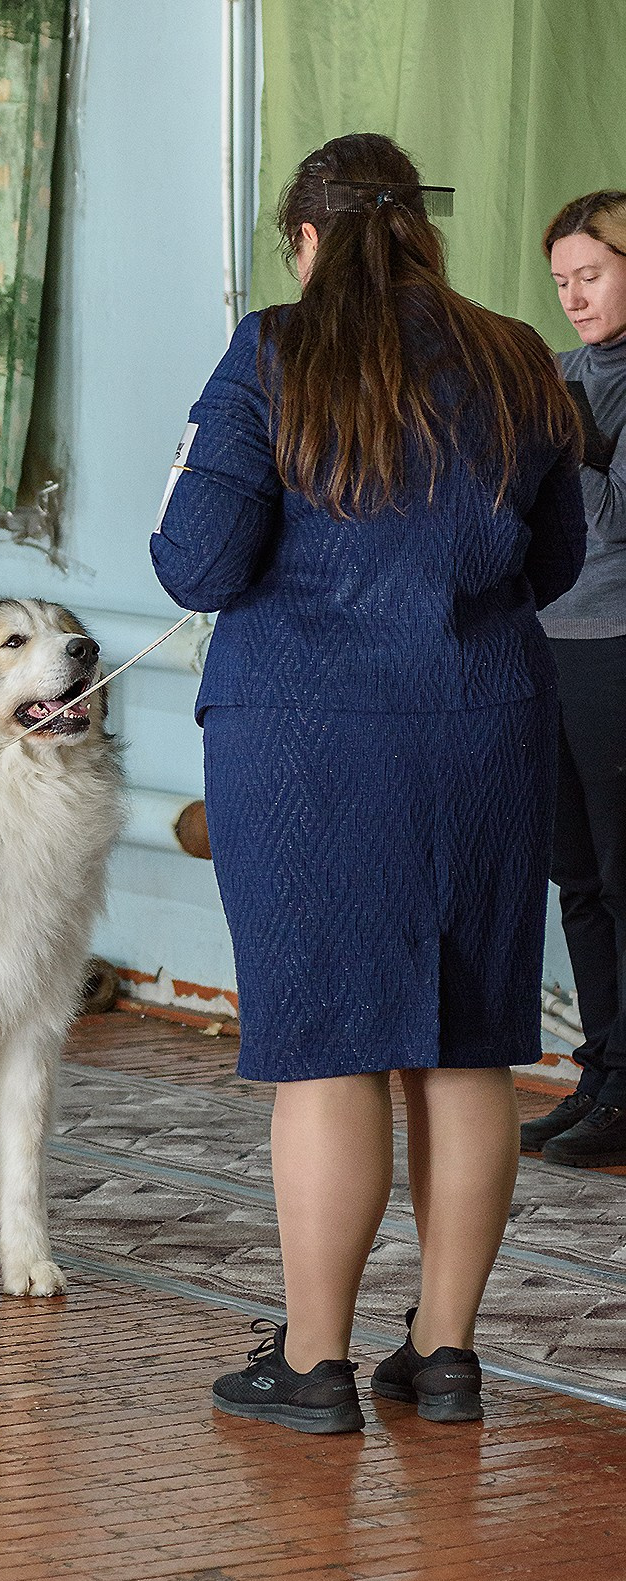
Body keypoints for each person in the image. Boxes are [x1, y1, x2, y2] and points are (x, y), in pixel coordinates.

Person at [150, 133, 586, 1433]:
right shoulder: (514, 354)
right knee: (471, 1045)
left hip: (306, 748)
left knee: (330, 1045)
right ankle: (446, 1357)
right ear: (420, 232)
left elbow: (198, 562)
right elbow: (554, 561)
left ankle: (317, 1364)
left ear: (305, 239)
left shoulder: (273, 355)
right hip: (486, 733)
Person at [519, 193, 626, 1170]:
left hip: (616, 644)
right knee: (576, 877)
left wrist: (573, 440)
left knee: (621, 874)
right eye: (559, 281)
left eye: (588, 275)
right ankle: (598, 1075)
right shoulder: (557, 372)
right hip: (546, 639)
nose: (571, 296)